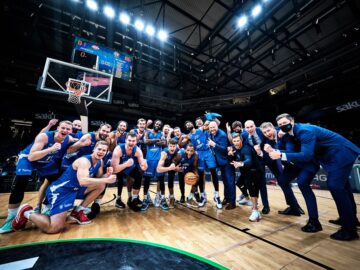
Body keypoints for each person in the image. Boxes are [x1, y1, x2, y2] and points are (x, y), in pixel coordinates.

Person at [271, 113, 360, 241]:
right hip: (335, 155)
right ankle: (351, 219)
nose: (282, 126)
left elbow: (306, 155)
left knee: (335, 186)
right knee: (343, 187)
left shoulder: (304, 131)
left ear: (292, 121)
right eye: (280, 125)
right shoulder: (295, 131)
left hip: (340, 154)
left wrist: (281, 155)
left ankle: (349, 230)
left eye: (285, 123)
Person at [11, 141, 116, 234]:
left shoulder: (100, 162)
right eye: (99, 149)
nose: (101, 152)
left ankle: (77, 212)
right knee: (54, 228)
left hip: (74, 189)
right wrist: (106, 180)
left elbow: (98, 179)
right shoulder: (84, 161)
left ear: (106, 152)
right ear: (94, 149)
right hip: (61, 192)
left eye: (104, 150)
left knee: (101, 185)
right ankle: (26, 212)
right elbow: (83, 181)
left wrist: (106, 175)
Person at [0, 120, 74, 234]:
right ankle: (11, 218)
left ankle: (46, 208)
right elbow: (32, 157)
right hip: (29, 158)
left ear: (71, 131)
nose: (65, 130)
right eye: (63, 128)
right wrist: (51, 149)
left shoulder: (68, 139)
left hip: (46, 161)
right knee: (20, 183)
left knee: (56, 183)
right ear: (58, 128)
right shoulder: (44, 137)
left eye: (68, 129)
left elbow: (79, 140)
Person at [260, 122, 306, 216]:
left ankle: (295, 207)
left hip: (296, 160)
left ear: (274, 128)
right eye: (264, 132)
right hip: (272, 161)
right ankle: (294, 206)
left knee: (286, 182)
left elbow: (290, 150)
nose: (267, 133)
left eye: (268, 131)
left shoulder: (283, 133)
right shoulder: (266, 139)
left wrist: (273, 150)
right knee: (282, 182)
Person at [180, 120, 222, 209]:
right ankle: (203, 196)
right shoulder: (189, 136)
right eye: (186, 124)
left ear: (193, 124)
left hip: (207, 152)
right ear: (186, 128)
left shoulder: (201, 129)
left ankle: (217, 195)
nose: (188, 124)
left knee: (213, 172)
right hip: (199, 154)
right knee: (200, 174)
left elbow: (211, 125)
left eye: (189, 123)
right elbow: (181, 144)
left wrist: (209, 118)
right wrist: (182, 138)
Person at [111, 131, 148, 212]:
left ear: (136, 141)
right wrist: (125, 164)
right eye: (129, 140)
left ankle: (134, 199)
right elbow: (114, 169)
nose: (131, 142)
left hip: (129, 165)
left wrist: (144, 165)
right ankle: (118, 199)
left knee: (139, 176)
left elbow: (143, 165)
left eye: (133, 141)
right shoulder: (118, 149)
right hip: (119, 166)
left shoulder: (137, 150)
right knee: (120, 179)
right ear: (126, 140)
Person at [229, 133, 262, 221]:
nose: (236, 143)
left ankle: (255, 211)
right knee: (239, 183)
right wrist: (231, 155)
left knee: (253, 190)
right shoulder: (235, 150)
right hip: (245, 172)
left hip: (254, 171)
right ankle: (247, 199)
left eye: (238, 141)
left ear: (241, 141)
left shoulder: (246, 149)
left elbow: (249, 160)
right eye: (234, 141)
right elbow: (233, 161)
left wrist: (241, 163)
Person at [243, 120, 270, 214]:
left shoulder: (261, 131)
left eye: (251, 126)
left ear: (255, 126)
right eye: (247, 127)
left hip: (269, 157)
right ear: (244, 128)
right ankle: (263, 206)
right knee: (259, 185)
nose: (250, 129)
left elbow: (274, 130)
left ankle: (293, 205)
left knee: (263, 185)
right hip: (255, 163)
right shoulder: (244, 135)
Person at [208, 121, 234, 210]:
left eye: (213, 127)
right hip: (220, 161)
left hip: (226, 161)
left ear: (217, 126)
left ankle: (232, 202)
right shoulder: (211, 134)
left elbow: (224, 149)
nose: (212, 129)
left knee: (230, 182)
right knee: (225, 182)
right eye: (210, 128)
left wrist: (214, 144)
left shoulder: (222, 135)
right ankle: (226, 198)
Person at [142, 120, 167, 207]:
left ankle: (161, 198)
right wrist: (156, 140)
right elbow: (145, 141)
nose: (158, 125)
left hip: (158, 160)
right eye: (157, 123)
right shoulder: (148, 132)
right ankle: (145, 198)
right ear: (154, 124)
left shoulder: (162, 133)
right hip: (149, 160)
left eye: (160, 125)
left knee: (161, 180)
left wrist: (151, 141)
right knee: (147, 180)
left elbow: (164, 142)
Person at [155, 139, 181, 210]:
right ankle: (159, 196)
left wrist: (176, 168)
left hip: (172, 164)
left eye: (174, 146)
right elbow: (158, 169)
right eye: (170, 146)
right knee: (160, 179)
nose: (172, 148)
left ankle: (171, 196)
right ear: (168, 146)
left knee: (171, 179)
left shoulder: (178, 152)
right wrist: (171, 168)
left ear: (176, 146)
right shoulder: (164, 153)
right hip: (164, 164)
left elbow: (180, 167)